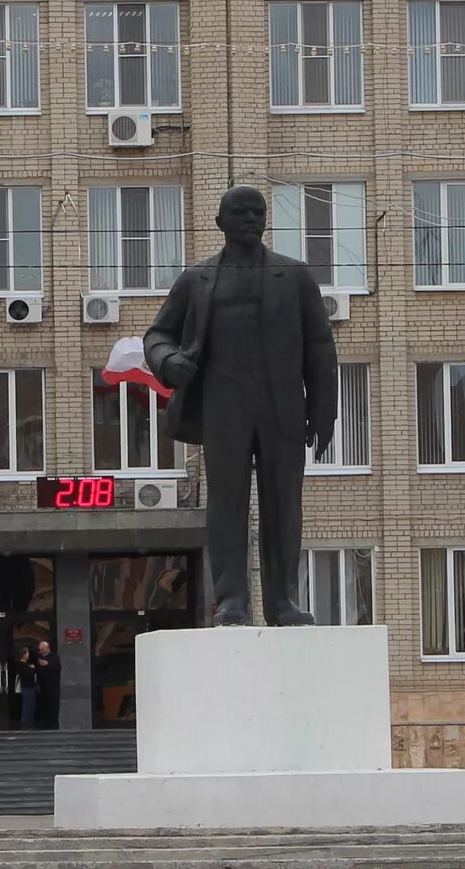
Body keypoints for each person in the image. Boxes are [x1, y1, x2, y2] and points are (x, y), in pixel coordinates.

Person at [142, 185, 339, 625]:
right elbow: (157, 334)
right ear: (220, 221)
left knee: (283, 506)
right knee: (226, 504)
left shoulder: (295, 275)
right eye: (240, 212)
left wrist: (325, 408)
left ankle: (283, 601)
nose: (251, 218)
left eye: (258, 212)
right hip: (223, 406)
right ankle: (231, 600)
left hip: (282, 407)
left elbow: (320, 346)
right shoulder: (199, 278)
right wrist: (169, 362)